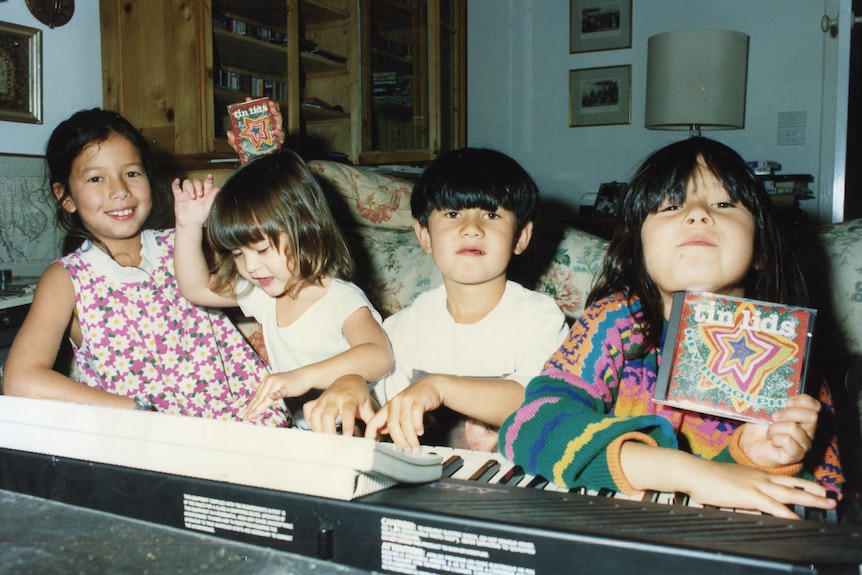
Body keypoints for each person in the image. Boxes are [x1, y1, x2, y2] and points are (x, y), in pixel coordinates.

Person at [499, 137, 844, 520]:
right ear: (639, 249)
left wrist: (758, 461)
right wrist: (688, 472)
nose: (697, 215)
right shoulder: (614, 322)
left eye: (724, 204)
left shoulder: (789, 356)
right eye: (671, 205)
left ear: (761, 249)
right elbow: (529, 426)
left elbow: (826, 508)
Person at [3, 106, 287, 426]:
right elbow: (21, 381)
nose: (120, 191)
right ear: (65, 196)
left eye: (132, 173)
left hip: (249, 420)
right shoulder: (66, 279)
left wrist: (264, 159)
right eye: (96, 178)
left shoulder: (187, 240)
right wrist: (135, 410)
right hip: (150, 442)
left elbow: (279, 250)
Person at [306, 148, 568, 451]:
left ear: (521, 237)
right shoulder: (407, 326)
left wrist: (439, 387)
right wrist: (350, 384)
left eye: (491, 214)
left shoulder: (539, 319)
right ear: (425, 236)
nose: (471, 228)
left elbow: (538, 402)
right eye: (453, 214)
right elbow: (375, 407)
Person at [171, 149, 393, 426]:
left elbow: (379, 354)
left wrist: (302, 377)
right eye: (238, 254)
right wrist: (188, 226)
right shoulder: (264, 292)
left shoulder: (339, 298)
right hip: (309, 432)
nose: (250, 266)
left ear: (305, 230)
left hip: (364, 427)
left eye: (262, 249)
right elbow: (197, 289)